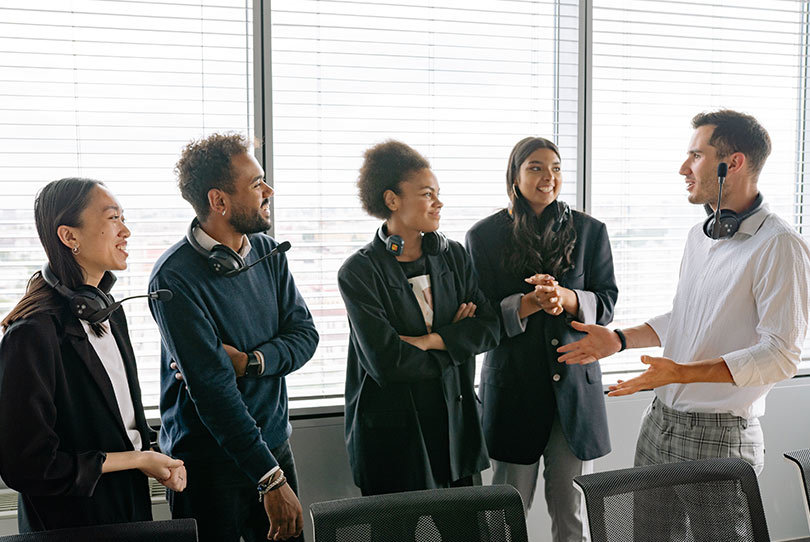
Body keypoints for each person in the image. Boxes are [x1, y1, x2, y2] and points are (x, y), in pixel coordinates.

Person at [558, 110, 810, 538]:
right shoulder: (701, 236)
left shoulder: (779, 245)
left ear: (734, 163)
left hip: (720, 436)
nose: (683, 168)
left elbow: (780, 355)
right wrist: (618, 339)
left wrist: (682, 372)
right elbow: (687, 315)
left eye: (696, 155)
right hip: (660, 422)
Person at [149, 134, 318, 542]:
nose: (269, 191)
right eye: (257, 184)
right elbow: (213, 390)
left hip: (274, 448)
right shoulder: (172, 279)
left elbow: (305, 336)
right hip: (209, 466)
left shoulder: (269, 253)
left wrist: (251, 362)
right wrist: (269, 478)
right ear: (219, 201)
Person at [0, 178, 186, 532]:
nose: (126, 231)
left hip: (128, 509)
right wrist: (137, 458)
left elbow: (116, 421)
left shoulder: (110, 313)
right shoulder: (31, 334)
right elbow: (28, 465)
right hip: (71, 524)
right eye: (113, 218)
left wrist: (152, 455)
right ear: (69, 236)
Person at [465, 137, 617, 542]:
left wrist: (567, 298)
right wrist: (529, 303)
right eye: (535, 167)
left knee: (572, 517)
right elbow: (479, 316)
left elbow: (606, 303)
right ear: (514, 176)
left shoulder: (590, 231)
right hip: (513, 392)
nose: (548, 176)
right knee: (504, 519)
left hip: (575, 392)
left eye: (556, 168)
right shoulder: (483, 236)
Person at [337, 140, 500, 503]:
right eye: (427, 194)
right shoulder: (359, 272)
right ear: (392, 200)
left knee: (467, 528)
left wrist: (430, 341)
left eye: (438, 193)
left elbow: (490, 328)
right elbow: (386, 362)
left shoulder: (454, 256)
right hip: (395, 438)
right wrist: (456, 340)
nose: (439, 203)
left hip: (455, 432)